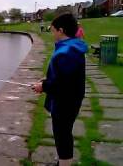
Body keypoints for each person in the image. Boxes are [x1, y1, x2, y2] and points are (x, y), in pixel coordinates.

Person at [32, 14, 88, 166]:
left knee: (62, 135)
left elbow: (62, 85)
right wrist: (46, 81)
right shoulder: (71, 47)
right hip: (71, 99)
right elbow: (62, 77)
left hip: (65, 102)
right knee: (64, 132)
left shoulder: (67, 53)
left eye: (53, 30)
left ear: (61, 31)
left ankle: (64, 164)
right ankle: (63, 162)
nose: (52, 33)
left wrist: (43, 86)